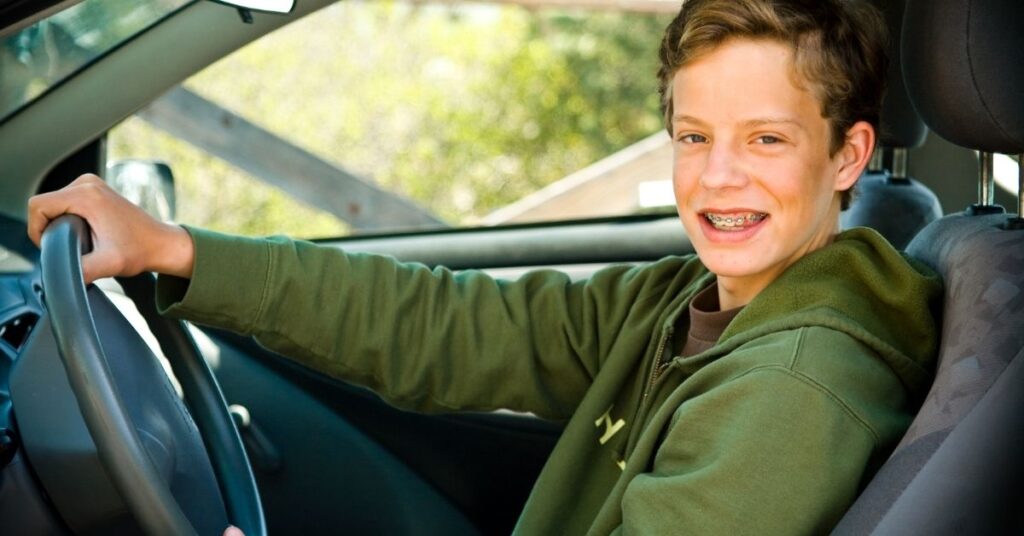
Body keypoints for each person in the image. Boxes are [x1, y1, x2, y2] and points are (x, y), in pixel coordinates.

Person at [27, 0, 942, 533]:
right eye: (694, 136)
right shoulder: (694, 298)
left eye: (767, 140)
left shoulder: (794, 391)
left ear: (848, 156)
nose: (718, 176)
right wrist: (179, 252)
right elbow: (452, 328)